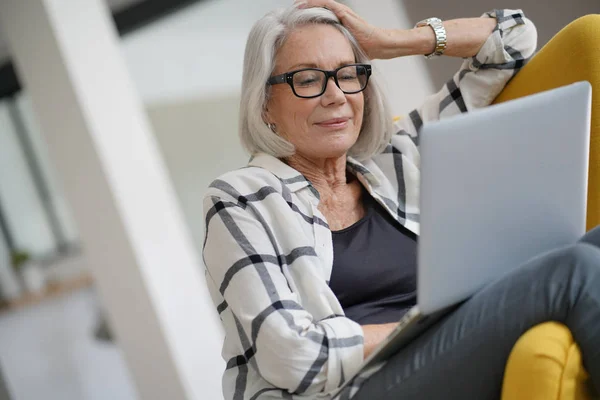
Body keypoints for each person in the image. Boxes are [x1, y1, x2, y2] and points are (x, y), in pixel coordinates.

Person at [202, 1, 600, 399]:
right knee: (572, 269)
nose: (336, 95)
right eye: (308, 80)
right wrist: (427, 321)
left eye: (348, 73)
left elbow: (512, 39)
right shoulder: (240, 199)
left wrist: (391, 42)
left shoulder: (396, 157)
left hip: (450, 349)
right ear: (265, 103)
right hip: (352, 389)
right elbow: (293, 357)